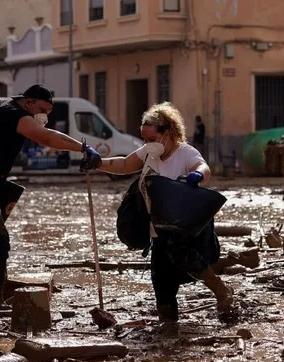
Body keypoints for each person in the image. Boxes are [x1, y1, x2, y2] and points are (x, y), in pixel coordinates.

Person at [0, 84, 102, 310]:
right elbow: (45, 137)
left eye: (48, 111)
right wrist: (83, 148)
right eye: (42, 109)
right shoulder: (16, 115)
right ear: (28, 102)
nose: (44, 115)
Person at [97, 102, 233, 324]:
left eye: (151, 138)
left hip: (184, 230)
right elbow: (123, 164)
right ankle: (168, 330)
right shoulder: (148, 154)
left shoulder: (185, 152)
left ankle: (220, 290)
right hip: (156, 230)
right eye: (144, 139)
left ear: (168, 133)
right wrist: (96, 163)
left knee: (184, 258)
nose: (147, 143)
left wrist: (197, 176)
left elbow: (202, 167)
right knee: (161, 283)